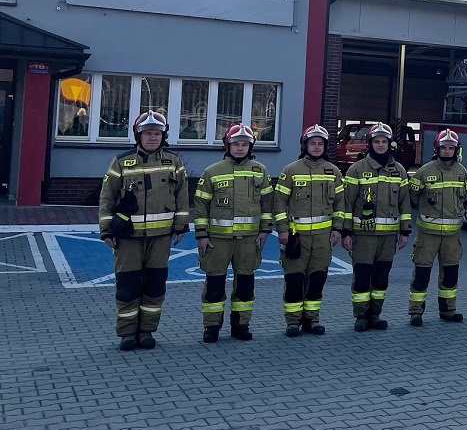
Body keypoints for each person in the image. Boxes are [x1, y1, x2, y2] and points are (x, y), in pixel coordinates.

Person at [98, 110, 189, 351]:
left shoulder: (174, 162)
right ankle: (127, 334)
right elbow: (106, 198)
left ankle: (147, 331)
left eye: (157, 133)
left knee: (155, 285)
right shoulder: (121, 162)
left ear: (163, 135)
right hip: (128, 237)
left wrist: (181, 226)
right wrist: (106, 230)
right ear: (138, 135)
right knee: (127, 286)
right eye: (147, 133)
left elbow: (182, 196)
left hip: (160, 238)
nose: (152, 137)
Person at [193, 124, 273, 343]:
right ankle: (211, 327)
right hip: (218, 241)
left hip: (248, 240)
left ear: (251, 146)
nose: (240, 148)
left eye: (245, 144)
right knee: (214, 286)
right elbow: (200, 206)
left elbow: (268, 204)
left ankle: (241, 325)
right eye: (236, 144)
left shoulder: (260, 171)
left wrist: (265, 230)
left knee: (245, 286)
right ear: (227, 146)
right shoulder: (212, 171)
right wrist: (202, 234)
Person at [273, 125, 346, 336]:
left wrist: (338, 229)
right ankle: (293, 322)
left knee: (317, 279)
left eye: (320, 143)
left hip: (323, 238)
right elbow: (279, 203)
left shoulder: (334, 172)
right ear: (305, 145)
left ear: (325, 146)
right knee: (294, 280)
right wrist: (282, 230)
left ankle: (312, 321)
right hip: (297, 237)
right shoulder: (291, 170)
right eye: (312, 143)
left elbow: (340, 204)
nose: (316, 147)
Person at [342, 123, 411, 331]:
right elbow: (347, 203)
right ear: (370, 143)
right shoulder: (357, 169)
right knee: (362, 276)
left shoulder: (399, 171)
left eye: (384, 141)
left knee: (381, 277)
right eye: (376, 141)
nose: (380, 145)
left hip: (389, 236)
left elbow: (404, 204)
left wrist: (405, 231)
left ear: (390, 144)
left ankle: (375, 314)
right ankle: (361, 315)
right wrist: (346, 232)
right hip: (363, 235)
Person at [408, 129, 467, 324]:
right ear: (437, 149)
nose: (447, 151)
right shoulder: (424, 171)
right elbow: (413, 198)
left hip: (452, 236)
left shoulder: (462, 172)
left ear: (456, 150)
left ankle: (448, 311)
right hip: (428, 235)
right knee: (421, 274)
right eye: (444, 147)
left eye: (451, 148)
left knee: (450, 277)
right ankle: (416, 312)